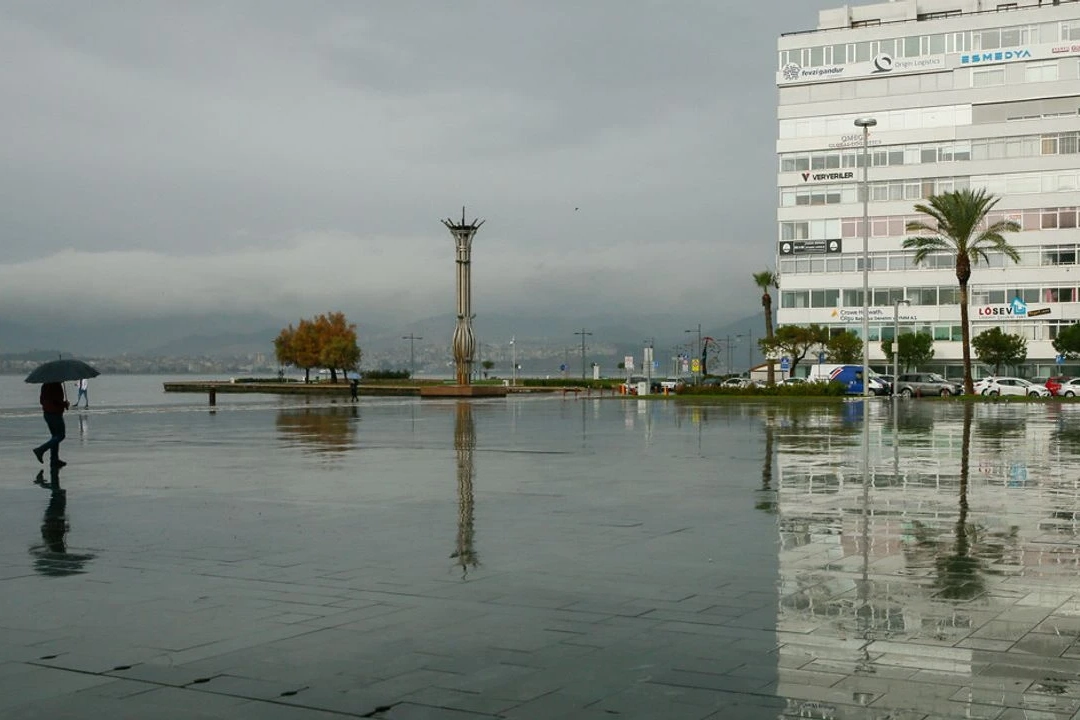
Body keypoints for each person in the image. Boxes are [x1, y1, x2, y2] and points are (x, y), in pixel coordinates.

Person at [33, 382, 68, 468]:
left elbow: (42, 401)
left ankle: (54, 460)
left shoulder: (45, 385)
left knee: (55, 436)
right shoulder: (55, 385)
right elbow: (56, 401)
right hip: (55, 414)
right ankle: (40, 450)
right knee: (61, 435)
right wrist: (64, 404)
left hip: (47, 414)